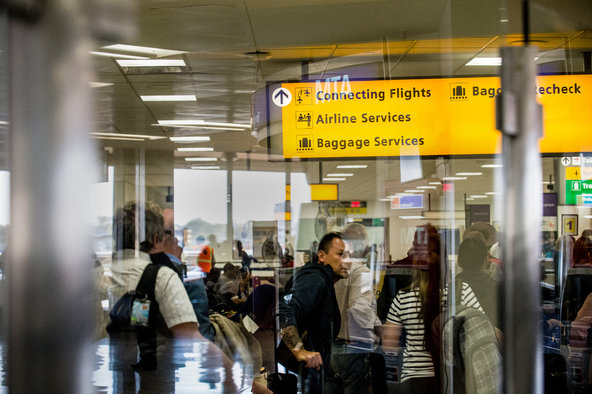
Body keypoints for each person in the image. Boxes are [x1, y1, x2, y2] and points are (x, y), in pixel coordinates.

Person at [109, 201, 234, 389]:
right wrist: (232, 375)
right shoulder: (162, 277)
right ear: (156, 237)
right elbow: (194, 339)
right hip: (152, 381)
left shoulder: (94, 276)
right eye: (169, 233)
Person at [382, 225, 483, 394]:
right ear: (444, 262)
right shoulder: (461, 291)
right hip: (450, 376)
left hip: (413, 379)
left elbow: (389, 345)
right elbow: (481, 327)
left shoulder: (403, 297)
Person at [280, 232, 349, 393]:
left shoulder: (323, 280)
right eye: (340, 254)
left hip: (314, 371)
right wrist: (299, 351)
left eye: (347, 255)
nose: (346, 260)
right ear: (322, 256)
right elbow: (284, 309)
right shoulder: (315, 279)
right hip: (308, 372)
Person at [328, 223, 386, 394]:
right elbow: (358, 307)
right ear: (358, 244)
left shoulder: (330, 270)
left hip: (329, 348)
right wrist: (378, 328)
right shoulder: (361, 272)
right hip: (352, 349)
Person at [456, 237, 501, 336]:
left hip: (458, 347)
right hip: (489, 346)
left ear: (458, 260)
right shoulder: (497, 289)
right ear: (486, 260)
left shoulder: (453, 289)